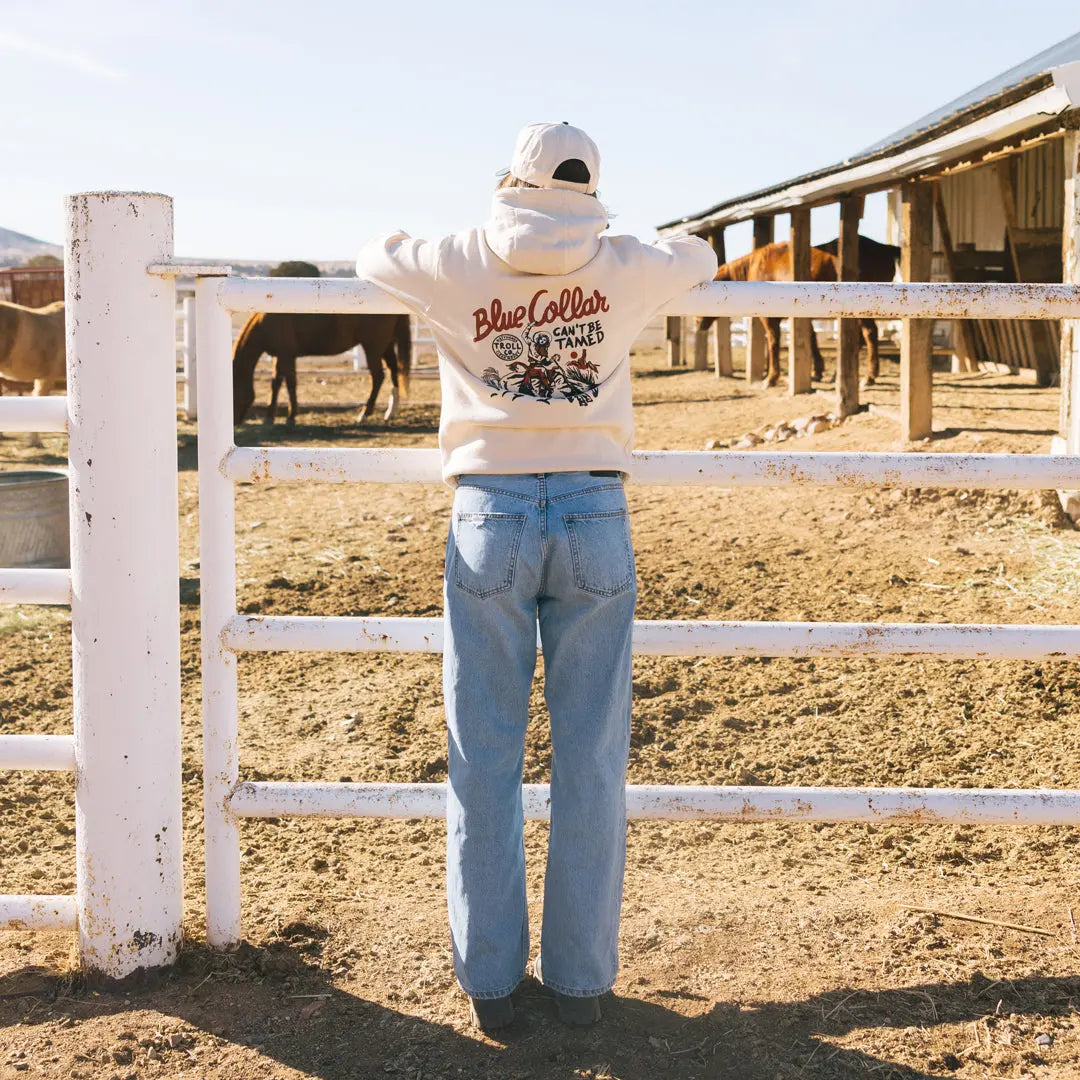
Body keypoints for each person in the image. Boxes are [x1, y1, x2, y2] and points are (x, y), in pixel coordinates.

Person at [356, 121, 717, 1031]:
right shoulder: (625, 262)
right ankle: (582, 981)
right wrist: (633, 242)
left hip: (491, 511)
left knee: (484, 756)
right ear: (590, 186)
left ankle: (491, 980)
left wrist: (406, 239)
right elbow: (699, 253)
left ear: (510, 179)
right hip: (595, 510)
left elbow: (374, 258)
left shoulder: (458, 259)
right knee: (592, 756)